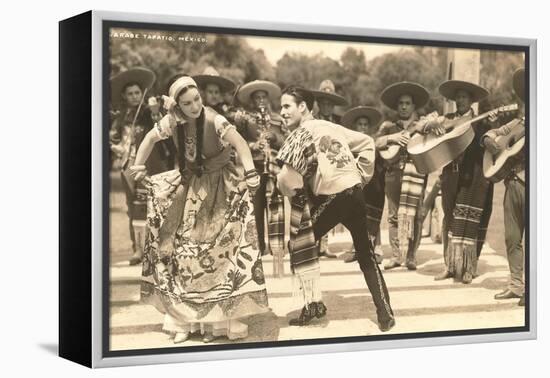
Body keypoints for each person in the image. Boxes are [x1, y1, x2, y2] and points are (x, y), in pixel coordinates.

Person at [130, 75, 269, 344]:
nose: (194, 106)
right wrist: (138, 165)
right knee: (184, 252)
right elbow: (148, 139)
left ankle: (219, 323)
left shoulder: (215, 119)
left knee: (221, 252)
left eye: (197, 100)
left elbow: (240, 144)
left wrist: (250, 172)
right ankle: (185, 321)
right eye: (187, 103)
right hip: (190, 187)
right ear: (177, 106)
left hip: (221, 186)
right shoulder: (171, 122)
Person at [276, 86, 395, 332]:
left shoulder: (301, 133)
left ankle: (312, 307)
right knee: (366, 254)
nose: (282, 112)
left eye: (287, 106)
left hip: (335, 197)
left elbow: (286, 178)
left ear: (303, 107)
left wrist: (293, 192)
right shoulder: (330, 126)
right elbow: (367, 143)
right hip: (354, 192)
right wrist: (360, 176)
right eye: (281, 107)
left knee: (298, 245)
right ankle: (385, 313)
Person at [426, 79, 494, 284]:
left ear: (472, 100)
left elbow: (488, 144)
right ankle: (450, 265)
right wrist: (432, 126)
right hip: (450, 177)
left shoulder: (481, 122)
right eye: (458, 97)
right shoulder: (446, 120)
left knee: (471, 219)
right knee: (449, 220)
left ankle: (468, 267)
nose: (460, 100)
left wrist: (489, 128)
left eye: (464, 97)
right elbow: (425, 129)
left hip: (472, 177)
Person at [109, 67, 175, 265]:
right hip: (128, 166)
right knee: (133, 208)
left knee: (154, 205)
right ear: (124, 96)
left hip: (150, 165)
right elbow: (115, 140)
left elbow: (159, 126)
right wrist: (117, 147)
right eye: (130, 94)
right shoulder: (120, 118)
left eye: (137, 92)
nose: (135, 96)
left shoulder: (148, 113)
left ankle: (157, 247)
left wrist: (155, 110)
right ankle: (137, 249)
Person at [231, 80, 288, 258]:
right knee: (256, 206)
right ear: (252, 100)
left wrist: (274, 138)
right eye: (257, 98)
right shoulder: (245, 118)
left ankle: (276, 247)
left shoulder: (278, 119)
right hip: (254, 166)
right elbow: (237, 142)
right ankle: (258, 246)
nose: (261, 100)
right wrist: (253, 145)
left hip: (273, 167)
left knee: (275, 207)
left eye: (264, 97)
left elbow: (287, 141)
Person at [377, 82, 430, 271]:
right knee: (393, 216)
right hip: (393, 174)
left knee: (415, 216)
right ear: (396, 106)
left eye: (408, 103)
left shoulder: (422, 125)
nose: (404, 106)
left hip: (415, 175)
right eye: (401, 103)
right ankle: (397, 256)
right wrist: (392, 138)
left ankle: (411, 256)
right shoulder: (389, 126)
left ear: (414, 106)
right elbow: (375, 143)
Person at [484, 68, 526, 305]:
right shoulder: (518, 122)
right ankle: (516, 285)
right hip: (512, 185)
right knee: (512, 238)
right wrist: (491, 141)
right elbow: (491, 133)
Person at [341, 106, 385, 264]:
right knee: (356, 216)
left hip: (374, 185)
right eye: (360, 124)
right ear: (355, 127)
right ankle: (357, 248)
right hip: (356, 183)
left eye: (366, 124)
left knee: (374, 216)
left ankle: (377, 248)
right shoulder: (349, 144)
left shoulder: (373, 142)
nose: (363, 127)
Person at [311, 79, 350, 258]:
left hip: (333, 168)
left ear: (333, 105)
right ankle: (312, 243)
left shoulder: (340, 122)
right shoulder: (312, 121)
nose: (326, 106)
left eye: (330, 103)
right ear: (318, 104)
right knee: (314, 205)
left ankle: (323, 245)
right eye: (323, 103)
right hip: (315, 168)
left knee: (329, 204)